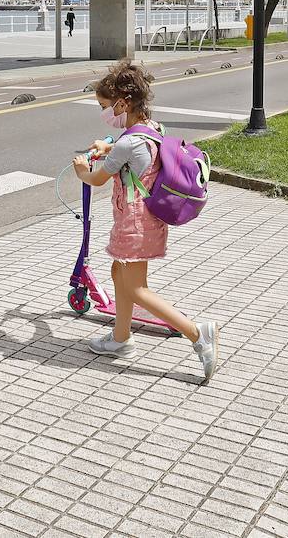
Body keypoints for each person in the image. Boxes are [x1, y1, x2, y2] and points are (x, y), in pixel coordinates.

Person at [72, 59, 219, 382]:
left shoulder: (126, 143)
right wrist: (106, 144)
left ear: (123, 103)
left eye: (105, 107)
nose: (104, 113)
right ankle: (120, 339)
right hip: (142, 220)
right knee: (118, 273)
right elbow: (131, 146)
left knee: (136, 288)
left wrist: (82, 169)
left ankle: (198, 333)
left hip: (135, 222)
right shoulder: (149, 129)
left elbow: (97, 178)